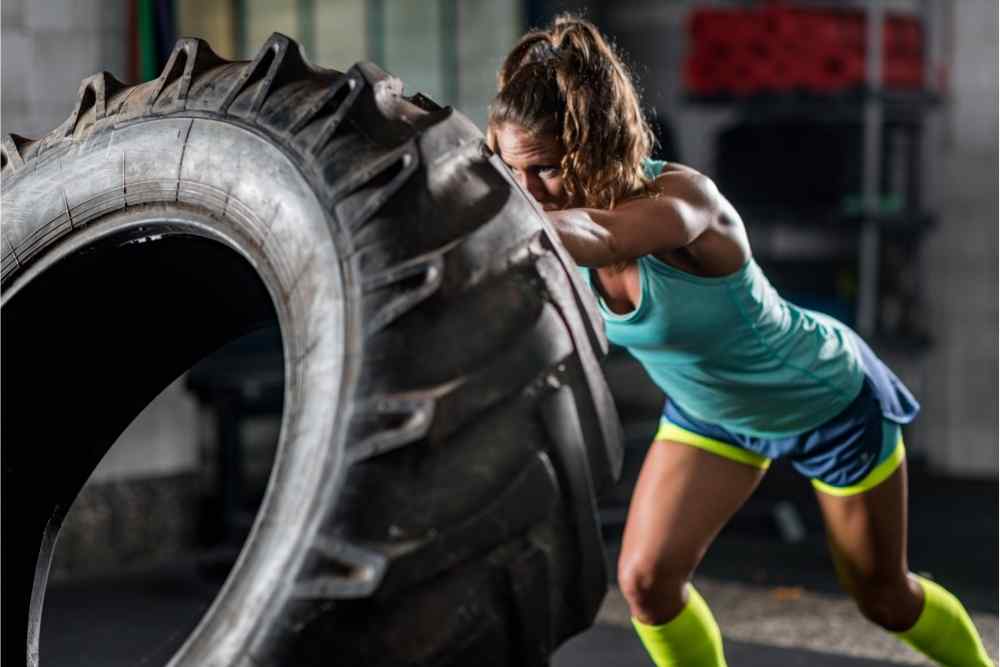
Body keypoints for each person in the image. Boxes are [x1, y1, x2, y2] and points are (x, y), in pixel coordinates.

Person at [486, 15, 993, 667]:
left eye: (546, 169)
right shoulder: (548, 220)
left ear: (593, 144)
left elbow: (603, 235)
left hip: (827, 401)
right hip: (711, 414)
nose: (525, 191)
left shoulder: (684, 200)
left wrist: (504, 220)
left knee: (885, 598)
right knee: (647, 584)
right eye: (509, 169)